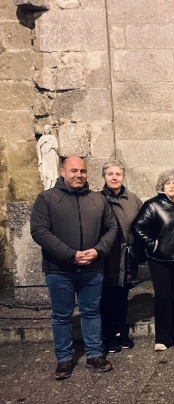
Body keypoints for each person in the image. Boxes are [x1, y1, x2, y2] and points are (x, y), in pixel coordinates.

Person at [30, 156, 117, 380]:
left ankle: (94, 355)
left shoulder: (98, 199)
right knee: (61, 315)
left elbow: (111, 227)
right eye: (74, 170)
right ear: (62, 172)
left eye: (83, 171)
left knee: (91, 312)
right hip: (59, 269)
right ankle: (64, 359)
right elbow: (39, 231)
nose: (79, 175)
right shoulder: (47, 198)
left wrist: (98, 250)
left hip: (92, 268)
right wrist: (70, 254)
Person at [132, 169, 174, 352]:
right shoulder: (152, 205)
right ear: (162, 186)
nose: (172, 186)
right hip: (160, 261)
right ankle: (163, 338)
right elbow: (137, 227)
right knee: (163, 298)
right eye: (168, 183)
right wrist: (152, 244)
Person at [100, 160, 143, 353]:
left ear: (123, 176)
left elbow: (142, 225)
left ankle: (121, 332)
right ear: (104, 176)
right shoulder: (97, 199)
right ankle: (109, 335)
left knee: (122, 296)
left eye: (118, 174)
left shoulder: (133, 200)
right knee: (106, 298)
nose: (114, 177)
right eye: (110, 174)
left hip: (127, 258)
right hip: (107, 257)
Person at [36, 124, 60, 191]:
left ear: (49, 130)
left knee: (53, 171)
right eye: (45, 129)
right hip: (44, 157)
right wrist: (44, 141)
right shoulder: (42, 138)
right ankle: (47, 187)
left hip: (52, 155)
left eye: (47, 129)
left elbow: (56, 147)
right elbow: (38, 146)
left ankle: (53, 186)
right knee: (45, 170)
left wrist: (50, 144)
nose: (46, 130)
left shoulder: (53, 138)